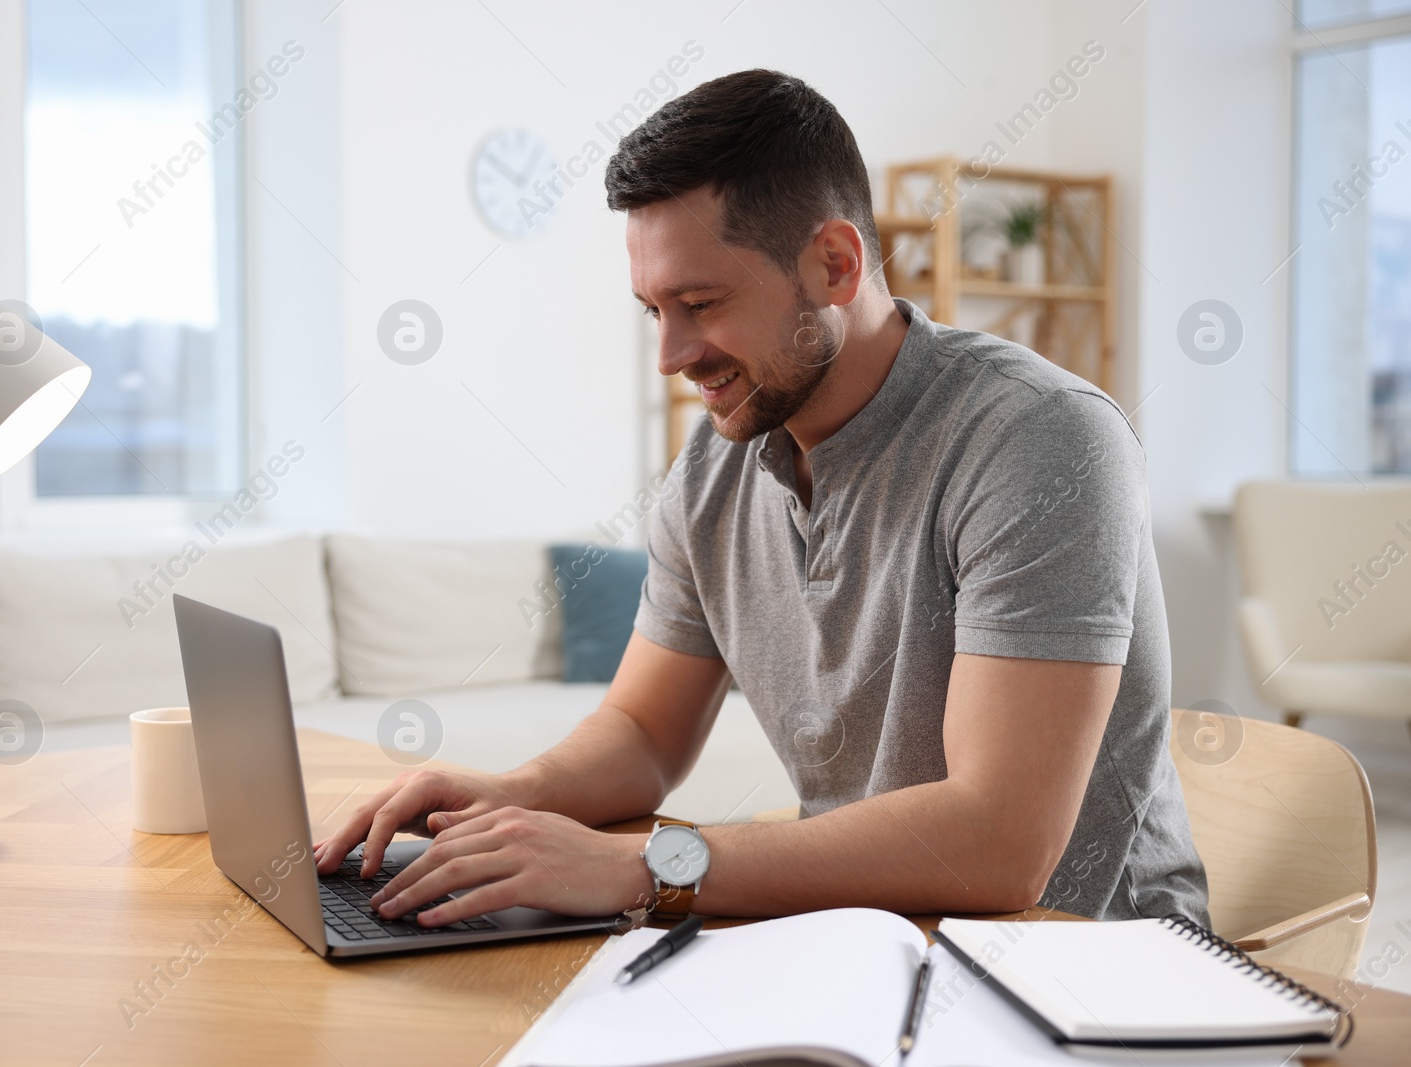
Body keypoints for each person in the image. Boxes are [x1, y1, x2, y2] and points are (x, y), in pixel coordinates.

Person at [314, 68, 1208, 929]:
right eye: (652, 309)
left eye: (699, 302)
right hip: (863, 936)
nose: (670, 353)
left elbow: (999, 842)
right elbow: (641, 729)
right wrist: (510, 793)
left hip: (1083, 967)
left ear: (833, 263)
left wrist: (648, 869)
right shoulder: (716, 463)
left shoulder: (1041, 441)